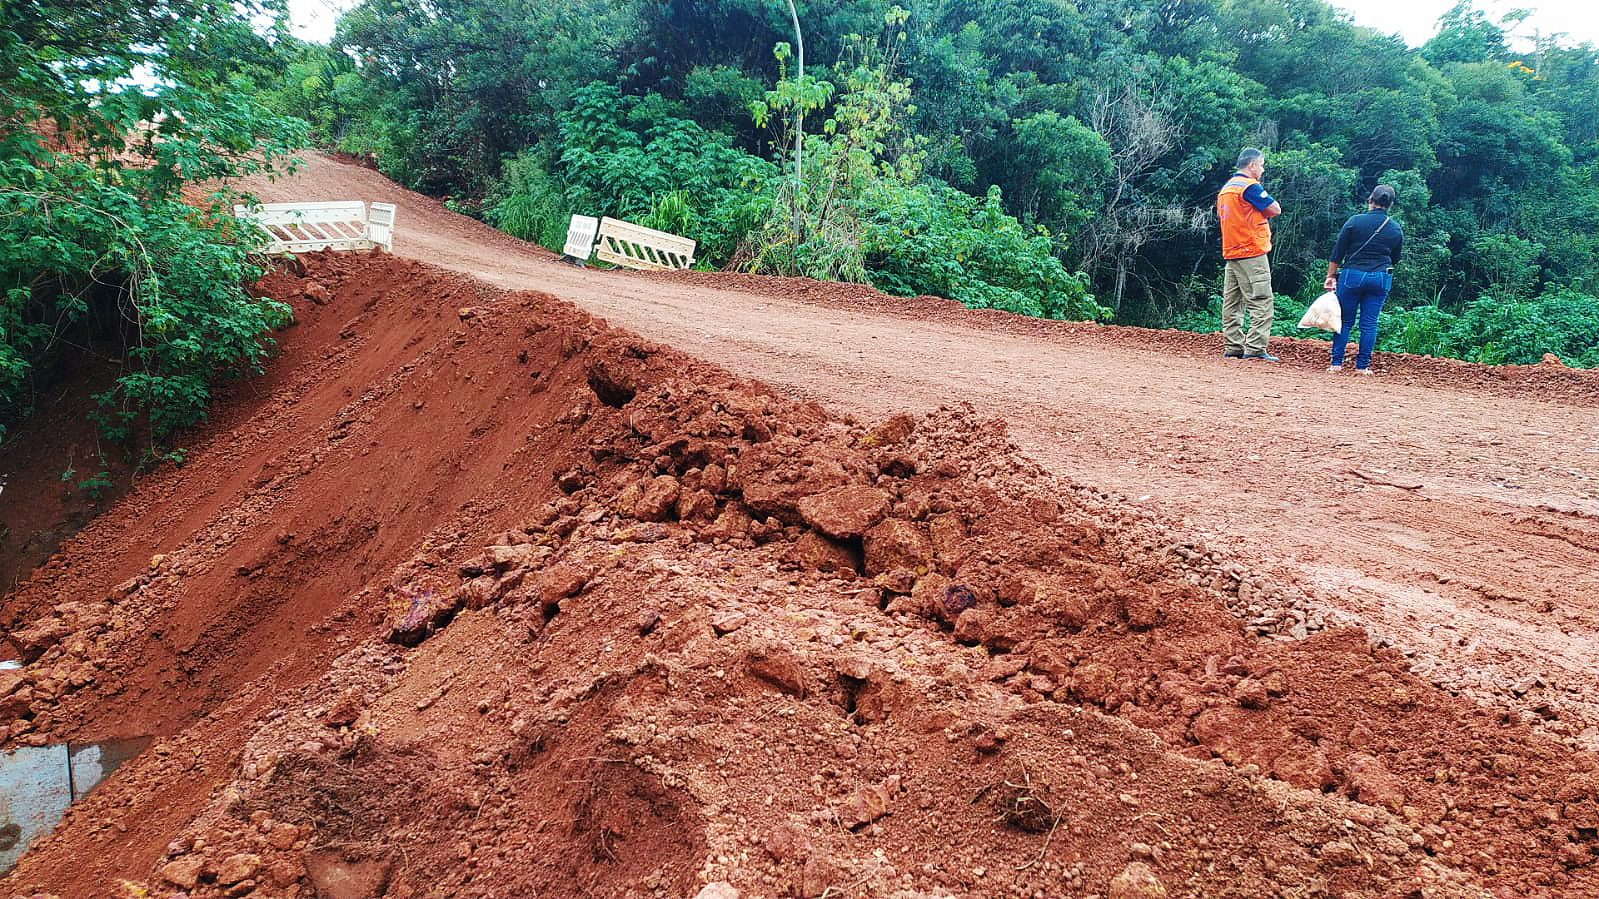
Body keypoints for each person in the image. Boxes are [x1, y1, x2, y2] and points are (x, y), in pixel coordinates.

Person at [1322, 184, 1403, 375]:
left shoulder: (1354, 221)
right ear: (1390, 205)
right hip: (1380, 277)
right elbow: (1395, 258)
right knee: (1369, 323)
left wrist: (1330, 276)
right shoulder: (1395, 228)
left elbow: (1337, 253)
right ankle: (1362, 367)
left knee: (1345, 320)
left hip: (1353, 275)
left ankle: (1336, 364)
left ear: (1370, 200)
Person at [1217, 147, 1284, 361]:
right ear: (1252, 165)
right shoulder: (1250, 187)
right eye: (1262, 165)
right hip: (1251, 251)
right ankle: (1255, 348)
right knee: (1261, 300)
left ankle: (1233, 346)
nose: (1263, 170)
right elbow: (1275, 209)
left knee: (1232, 302)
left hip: (1231, 251)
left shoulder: (1226, 189)